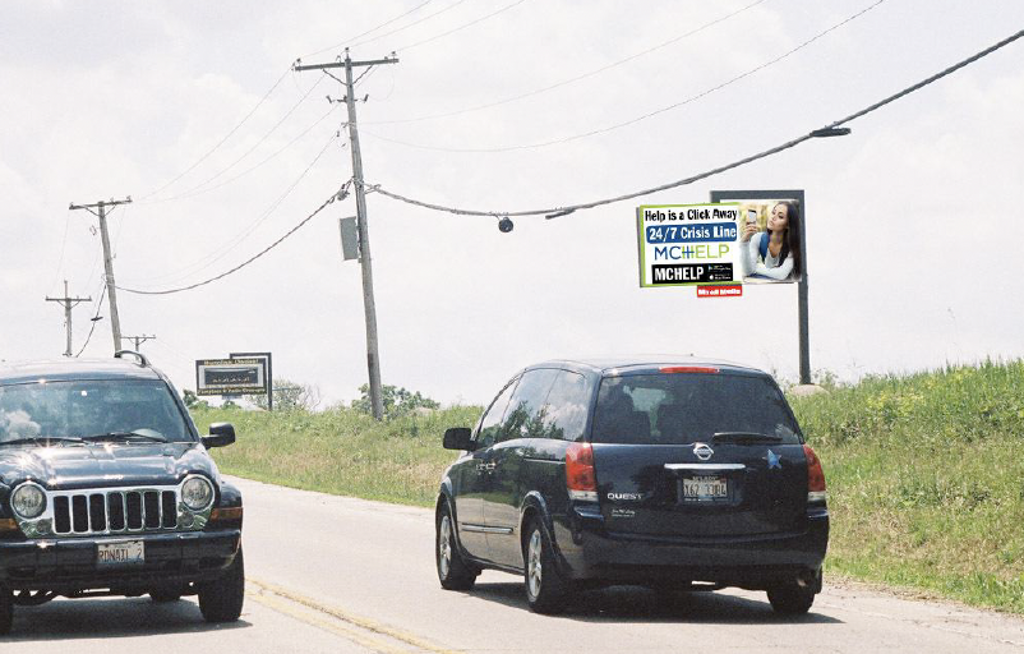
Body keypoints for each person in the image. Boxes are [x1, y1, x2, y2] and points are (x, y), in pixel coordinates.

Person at [740, 201, 801, 281]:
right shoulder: (758, 239)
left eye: (780, 216)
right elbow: (747, 271)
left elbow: (781, 274)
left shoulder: (794, 245)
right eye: (773, 212)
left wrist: (756, 267)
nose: (773, 217)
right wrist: (745, 242)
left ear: (788, 225)